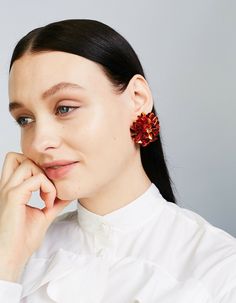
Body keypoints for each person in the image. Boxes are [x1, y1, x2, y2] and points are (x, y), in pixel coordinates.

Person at [0, 19, 235, 303]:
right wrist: (7, 262)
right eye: (25, 119)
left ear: (137, 98)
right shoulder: (16, 253)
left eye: (64, 108)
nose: (39, 142)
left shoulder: (219, 271)